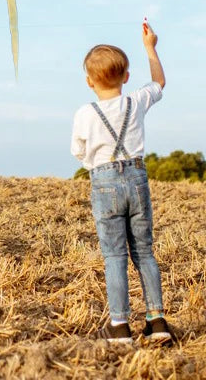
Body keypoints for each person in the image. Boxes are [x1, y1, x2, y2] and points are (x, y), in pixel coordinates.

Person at [70, 20, 173, 344]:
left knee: (114, 256)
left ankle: (119, 325)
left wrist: (92, 163)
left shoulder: (85, 113)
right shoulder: (136, 100)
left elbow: (78, 151)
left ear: (88, 82)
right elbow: (159, 81)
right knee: (144, 252)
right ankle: (156, 322)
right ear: (127, 77)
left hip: (104, 182)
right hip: (137, 177)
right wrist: (150, 47)